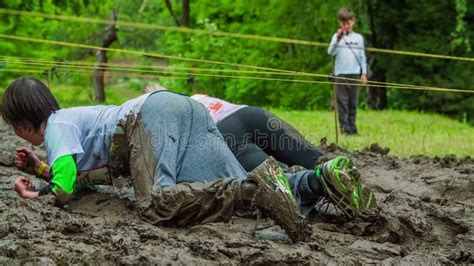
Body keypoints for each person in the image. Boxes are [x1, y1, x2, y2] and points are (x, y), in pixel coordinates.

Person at [4, 77, 375, 243]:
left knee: (155, 204)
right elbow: (84, 176)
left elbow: (67, 182)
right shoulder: (70, 125)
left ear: (21, 124)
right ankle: (320, 180)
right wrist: (39, 169)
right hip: (183, 107)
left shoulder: (56, 126)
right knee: (223, 182)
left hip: (146, 120)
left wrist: (45, 194)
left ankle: (252, 190)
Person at [190, 94, 324, 172]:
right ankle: (330, 171)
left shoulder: (179, 111)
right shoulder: (197, 96)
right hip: (251, 114)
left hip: (224, 130)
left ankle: (301, 180)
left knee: (276, 176)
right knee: (314, 159)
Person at [327, 8, 367, 135]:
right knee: (342, 103)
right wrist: (338, 39)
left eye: (348, 23)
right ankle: (345, 129)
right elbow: (330, 52)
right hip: (341, 74)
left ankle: (353, 128)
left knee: (353, 103)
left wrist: (364, 73)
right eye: (343, 23)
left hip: (355, 74)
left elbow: (362, 56)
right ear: (340, 23)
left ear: (353, 21)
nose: (346, 25)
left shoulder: (359, 38)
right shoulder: (336, 37)